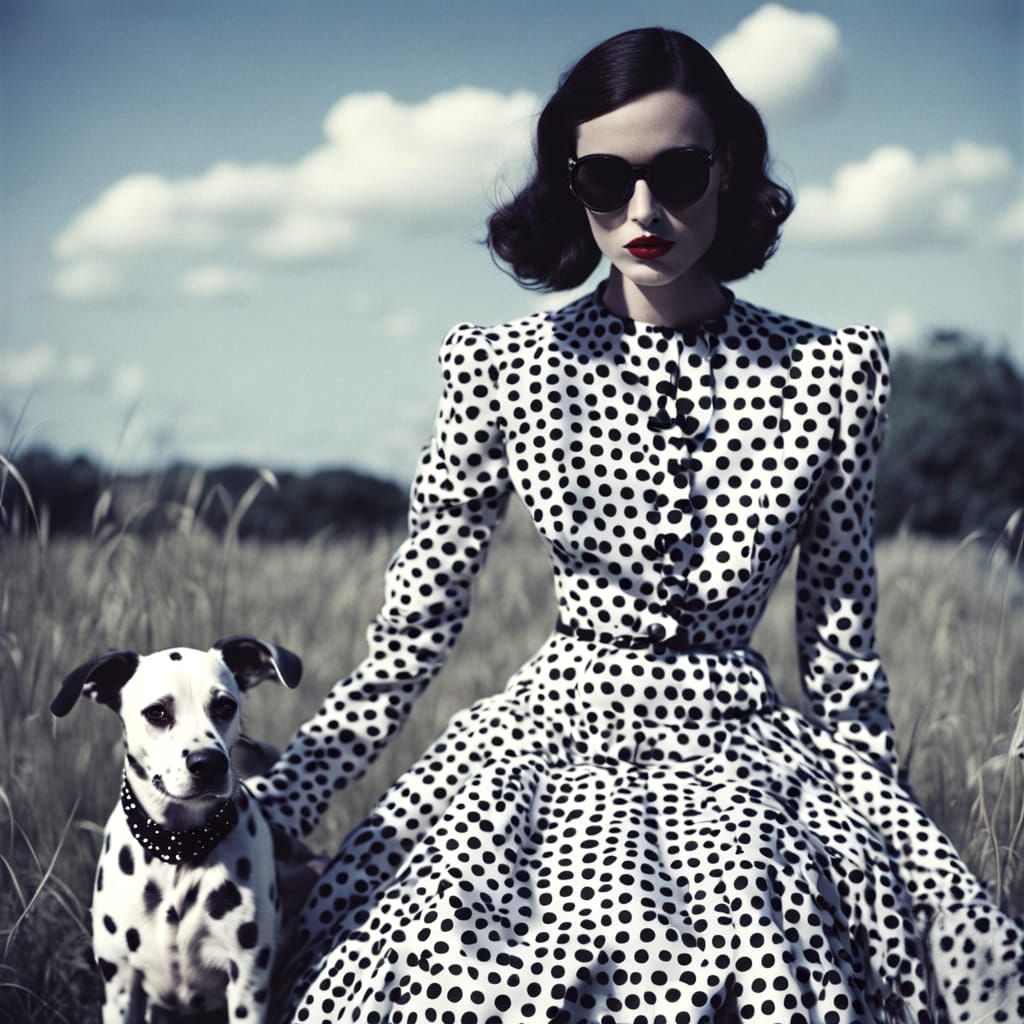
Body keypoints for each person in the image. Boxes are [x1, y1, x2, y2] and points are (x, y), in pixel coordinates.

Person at [251, 26, 1024, 1024]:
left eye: (679, 171)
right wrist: (283, 804)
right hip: (542, 754)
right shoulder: (501, 365)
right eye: (606, 179)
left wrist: (881, 828)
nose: (643, 211)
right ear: (569, 187)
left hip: (749, 764)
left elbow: (841, 651)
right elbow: (413, 632)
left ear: (730, 170)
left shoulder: (831, 374)